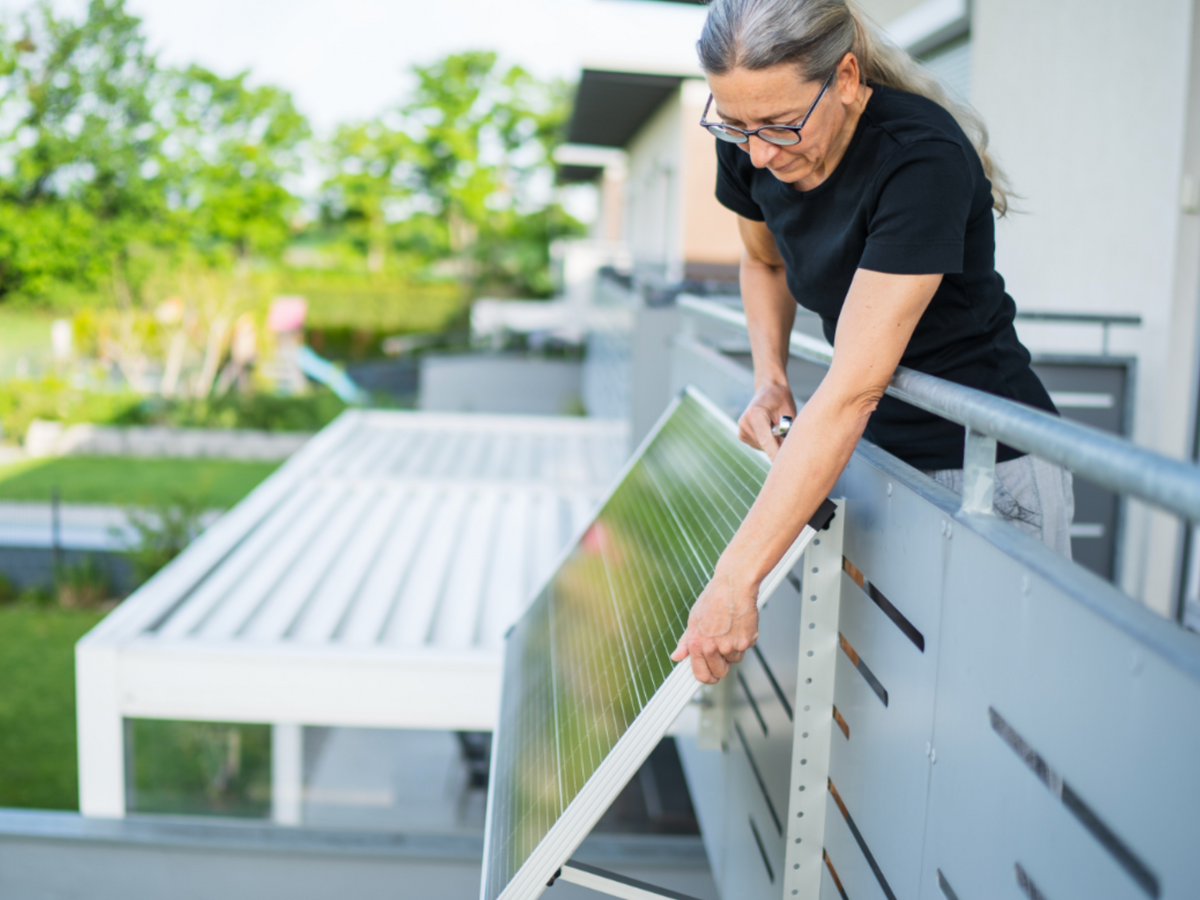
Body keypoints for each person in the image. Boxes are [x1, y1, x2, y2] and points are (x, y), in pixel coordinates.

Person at [670, 0, 1074, 685]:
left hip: (983, 470)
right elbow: (764, 261)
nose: (759, 152)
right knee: (888, 708)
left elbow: (855, 386)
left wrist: (733, 580)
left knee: (998, 719)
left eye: (780, 125)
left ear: (848, 77)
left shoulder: (922, 157)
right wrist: (770, 378)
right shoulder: (749, 135)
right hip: (869, 455)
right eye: (736, 124)